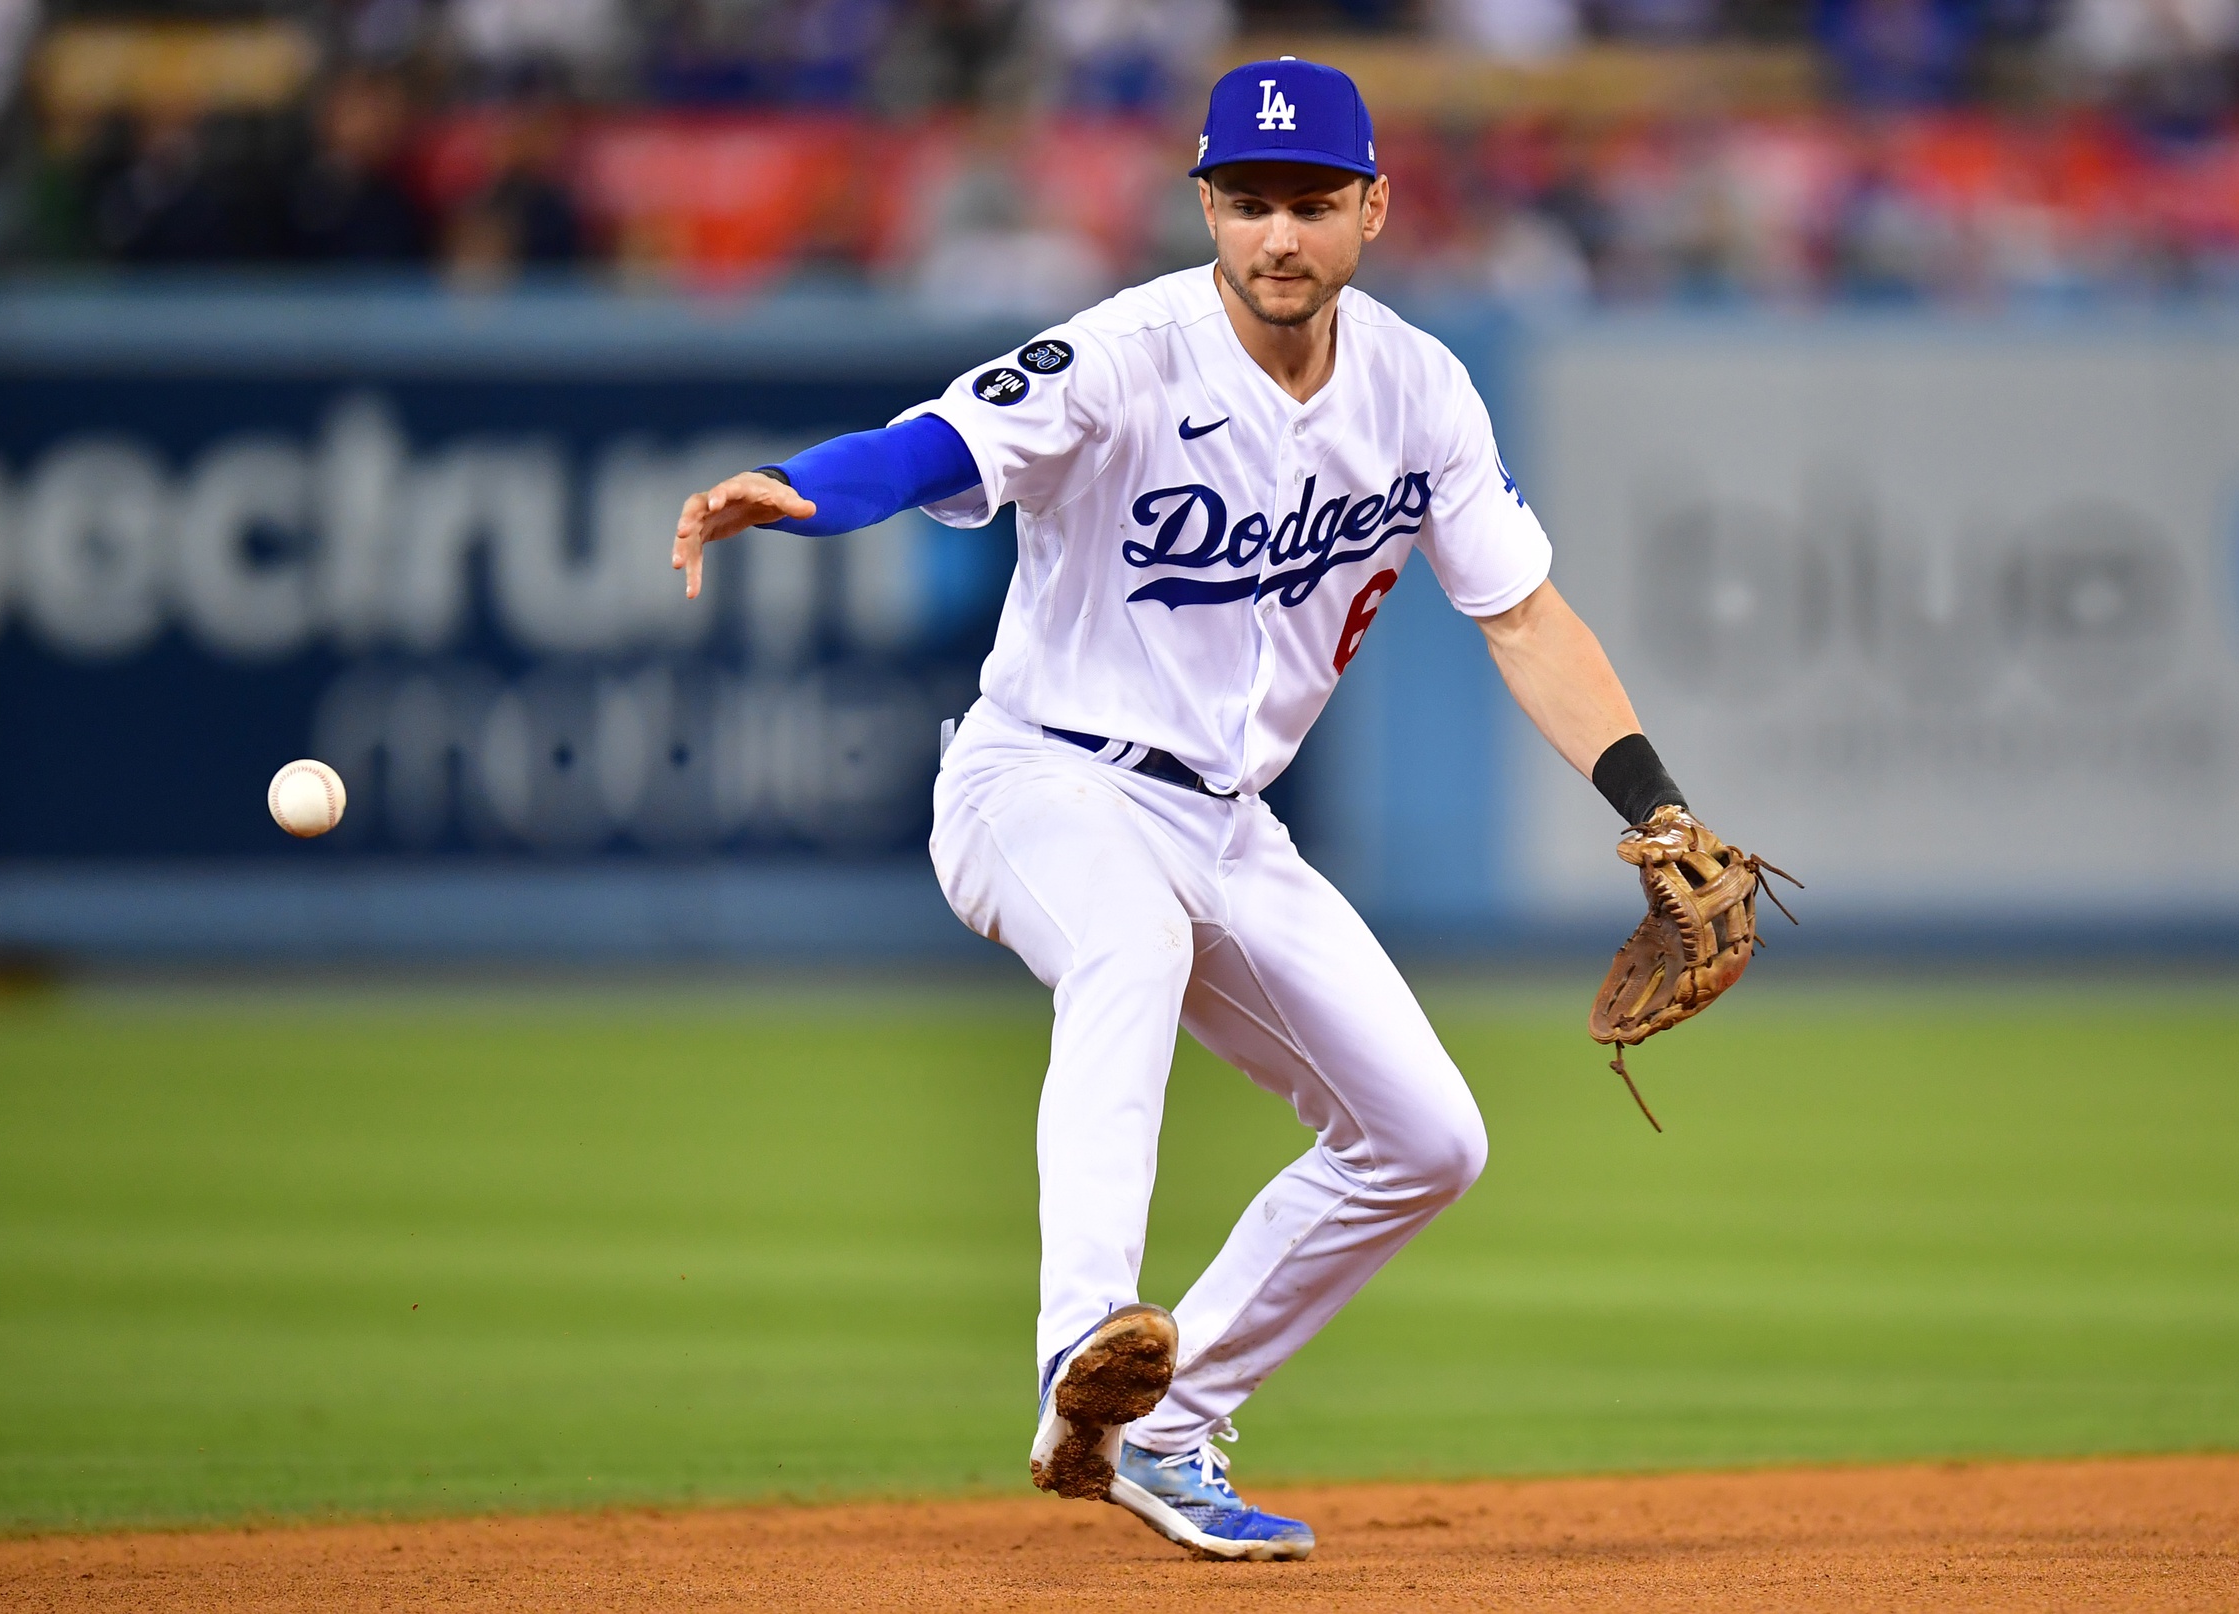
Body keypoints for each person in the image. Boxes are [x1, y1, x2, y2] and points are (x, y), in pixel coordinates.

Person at [670, 57, 1691, 1563]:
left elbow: (1525, 616)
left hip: (1233, 823)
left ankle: (1165, 1415)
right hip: (1039, 777)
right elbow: (941, 442)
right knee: (1130, 942)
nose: (1279, 234)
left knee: (1427, 1138)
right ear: (1205, 204)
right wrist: (802, 485)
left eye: (1312, 202)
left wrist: (1655, 804)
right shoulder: (1125, 352)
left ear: (1374, 207)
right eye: (1247, 201)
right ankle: (1080, 1335)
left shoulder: (1420, 390)